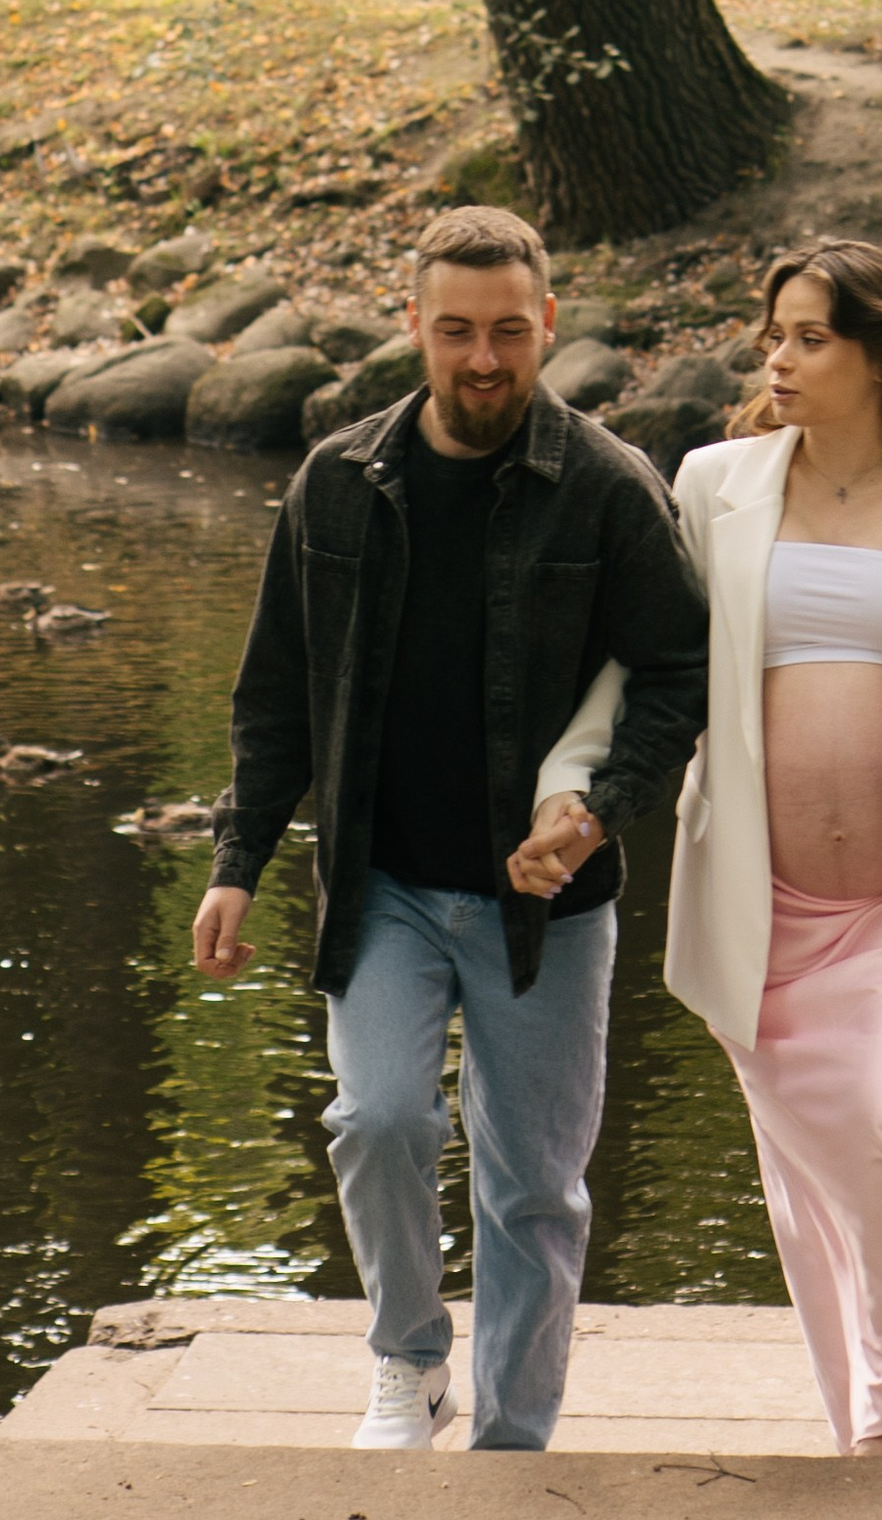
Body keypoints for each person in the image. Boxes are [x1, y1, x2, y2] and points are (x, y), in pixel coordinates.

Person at [509, 237, 882, 1456]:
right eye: (772, 335)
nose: (777, 359)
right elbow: (643, 670)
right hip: (758, 908)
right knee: (813, 1193)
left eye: (809, 339)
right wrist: (571, 789)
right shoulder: (712, 487)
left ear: (880, 353)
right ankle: (880, 1419)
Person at [193, 204, 707, 1453]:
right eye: (458, 331)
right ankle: (409, 1361)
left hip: (548, 905)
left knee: (533, 1187)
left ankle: (513, 1440)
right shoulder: (336, 482)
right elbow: (276, 692)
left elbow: (681, 672)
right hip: (385, 887)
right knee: (377, 1120)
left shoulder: (606, 487)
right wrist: (237, 862)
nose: (484, 359)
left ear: (548, 325)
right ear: (414, 325)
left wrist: (596, 813)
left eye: (510, 332)